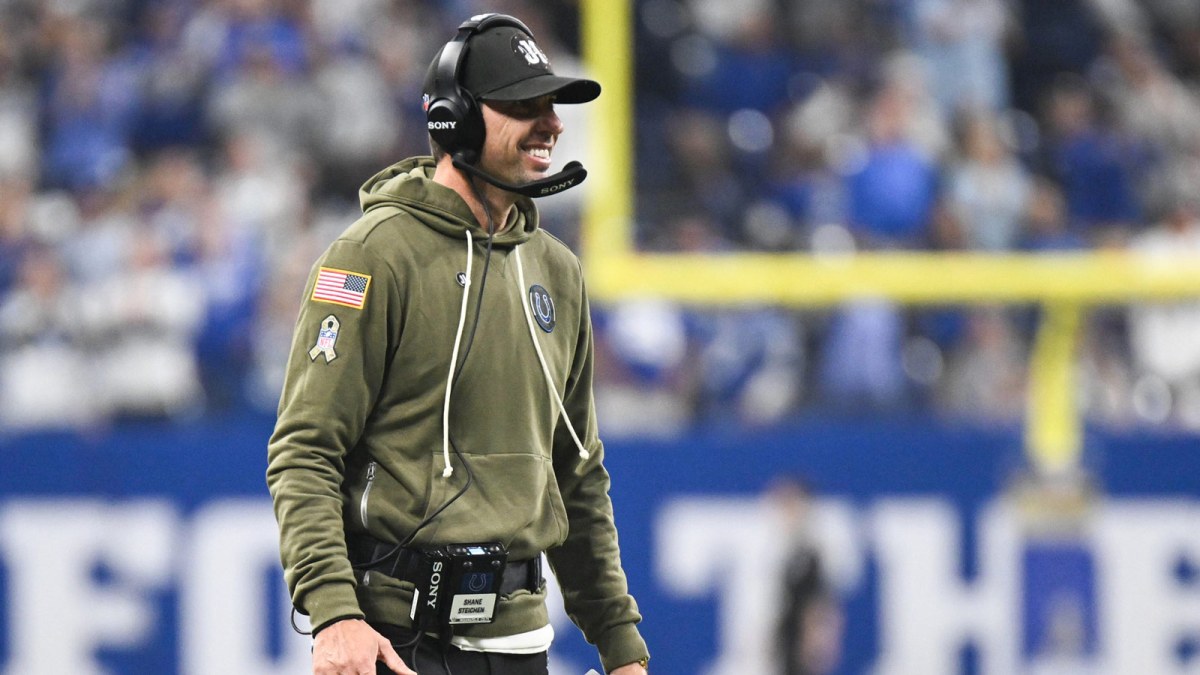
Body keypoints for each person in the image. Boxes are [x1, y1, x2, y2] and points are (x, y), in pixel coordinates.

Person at [265, 13, 650, 675]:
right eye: (524, 105)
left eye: (552, 106)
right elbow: (305, 450)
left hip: (521, 643)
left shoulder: (557, 271)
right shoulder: (371, 256)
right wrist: (334, 611)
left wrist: (622, 649)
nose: (552, 124)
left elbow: (577, 473)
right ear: (455, 118)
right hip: (393, 638)